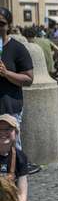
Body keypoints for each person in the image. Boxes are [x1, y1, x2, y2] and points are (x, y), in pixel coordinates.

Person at [0, 114, 46, 201]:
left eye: (8, 129)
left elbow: (22, 192)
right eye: (0, 130)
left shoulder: (19, 157)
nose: (3, 133)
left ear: (16, 133)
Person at [0, 8, 34, 150]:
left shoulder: (17, 48)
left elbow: (28, 79)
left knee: (12, 148)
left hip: (9, 108)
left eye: (1, 23)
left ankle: (16, 171)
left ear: (9, 26)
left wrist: (6, 73)